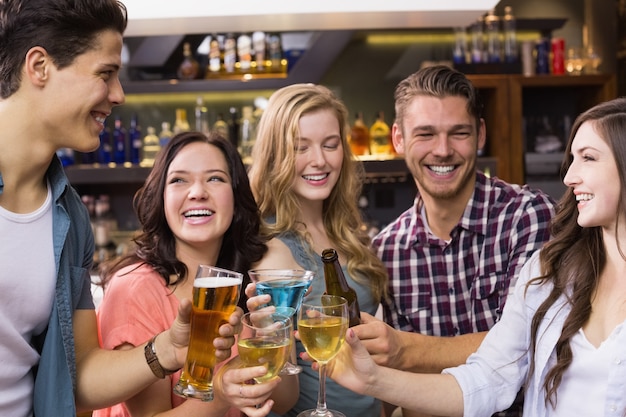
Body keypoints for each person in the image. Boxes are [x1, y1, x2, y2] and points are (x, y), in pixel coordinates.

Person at [319, 96, 626, 416]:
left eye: (588, 158)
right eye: (572, 158)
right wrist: (372, 379)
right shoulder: (549, 272)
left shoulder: (525, 215)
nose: (569, 177)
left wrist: (404, 349)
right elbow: (487, 378)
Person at [0, 2, 235, 416]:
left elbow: (81, 377)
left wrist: (167, 348)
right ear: (39, 66)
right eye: (105, 74)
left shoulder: (69, 217)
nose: (119, 94)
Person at [355, 65, 555, 417]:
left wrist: (406, 348)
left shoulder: (528, 217)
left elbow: (528, 344)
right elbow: (399, 388)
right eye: (426, 134)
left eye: (458, 133)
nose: (443, 150)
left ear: (480, 134)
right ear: (398, 139)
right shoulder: (386, 250)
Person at [93, 131, 298, 417]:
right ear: (161, 199)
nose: (198, 192)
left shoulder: (241, 287)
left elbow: (286, 400)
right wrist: (221, 393)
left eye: (215, 178)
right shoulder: (134, 288)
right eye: (178, 180)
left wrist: (273, 332)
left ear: (236, 198)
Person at [247, 83, 389, 417]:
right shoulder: (275, 252)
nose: (320, 161)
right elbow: (279, 401)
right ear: (275, 155)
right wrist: (271, 335)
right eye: (301, 147)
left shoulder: (345, 232)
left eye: (330, 144)